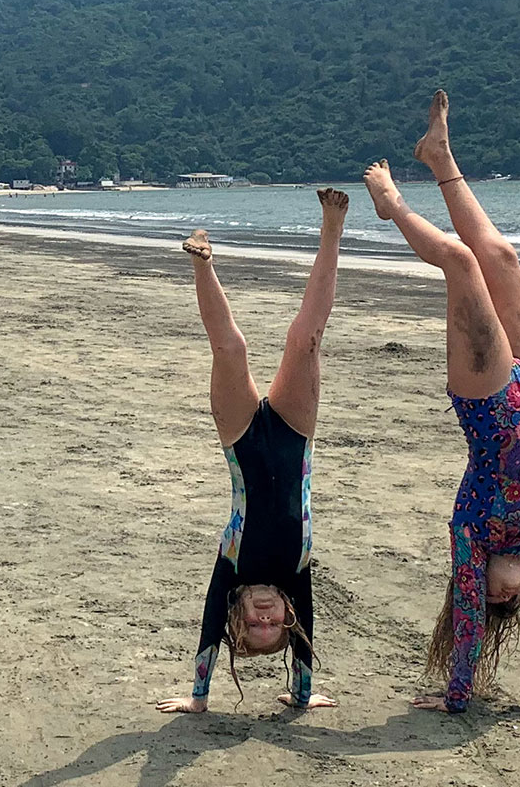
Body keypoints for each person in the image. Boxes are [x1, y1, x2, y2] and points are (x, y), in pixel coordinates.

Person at [361, 90, 520, 715]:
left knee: (461, 263)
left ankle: (392, 204)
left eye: (499, 598)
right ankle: (439, 157)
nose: (515, 593)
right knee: (499, 255)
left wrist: (456, 696)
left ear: (478, 591)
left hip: (487, 405)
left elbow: (464, 630)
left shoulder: (472, 539)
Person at [157, 188, 349, 714]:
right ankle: (332, 229)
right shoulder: (297, 571)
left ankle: (202, 260)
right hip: (294, 430)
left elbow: (205, 630)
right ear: (288, 615)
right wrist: (303, 694)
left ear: (236, 615)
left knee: (231, 348)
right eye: (275, 625)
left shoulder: (232, 568)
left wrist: (199, 699)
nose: (265, 617)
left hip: (240, 438)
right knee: (306, 338)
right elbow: (309, 642)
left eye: (254, 625)